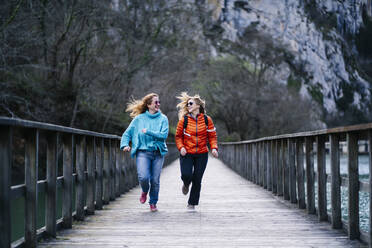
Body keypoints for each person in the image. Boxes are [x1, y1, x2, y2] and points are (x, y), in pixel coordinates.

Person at [120, 93, 169, 212]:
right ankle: (145, 190)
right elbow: (127, 134)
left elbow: (163, 136)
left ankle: (153, 203)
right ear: (148, 105)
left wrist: (149, 132)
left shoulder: (163, 118)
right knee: (143, 177)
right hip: (143, 153)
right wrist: (125, 145)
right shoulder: (139, 119)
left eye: (159, 102)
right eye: (155, 102)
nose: (158, 104)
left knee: (155, 180)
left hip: (158, 153)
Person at [175, 92, 218, 210]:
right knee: (186, 175)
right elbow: (178, 136)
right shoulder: (184, 120)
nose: (188, 106)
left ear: (198, 105)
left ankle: (192, 203)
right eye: (187, 104)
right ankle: (186, 183)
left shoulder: (206, 120)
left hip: (202, 153)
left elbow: (212, 136)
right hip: (187, 152)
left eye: (190, 103)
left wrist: (214, 148)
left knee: (197, 178)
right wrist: (181, 147)